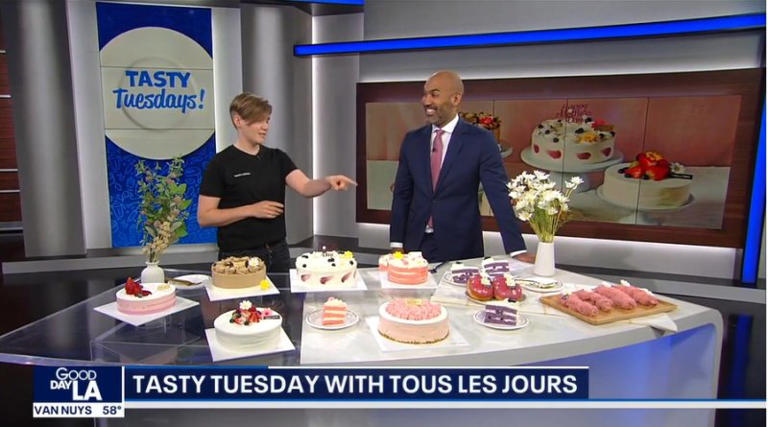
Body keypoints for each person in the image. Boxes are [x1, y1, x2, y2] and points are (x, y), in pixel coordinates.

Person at [198, 93, 355, 271]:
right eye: (259, 121)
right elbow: (205, 217)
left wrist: (327, 182)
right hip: (239, 257)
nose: (265, 127)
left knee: (281, 291)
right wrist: (251, 210)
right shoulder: (220, 164)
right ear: (238, 121)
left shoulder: (277, 158)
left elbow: (305, 187)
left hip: (278, 252)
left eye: (267, 121)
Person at [390, 70, 530, 263]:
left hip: (461, 247)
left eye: (434, 94)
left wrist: (516, 249)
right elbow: (402, 193)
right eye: (425, 94)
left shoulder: (481, 140)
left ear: (455, 99)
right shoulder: (412, 140)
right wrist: (396, 243)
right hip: (415, 245)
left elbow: (498, 194)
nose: (426, 101)